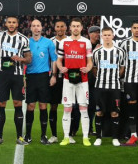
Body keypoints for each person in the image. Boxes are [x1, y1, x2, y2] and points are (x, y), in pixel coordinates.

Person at [0, 16, 32, 145]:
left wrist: (21, 59)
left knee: (17, 103)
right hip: (3, 75)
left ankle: (20, 137)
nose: (11, 24)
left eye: (13, 22)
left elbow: (29, 59)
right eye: (9, 22)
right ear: (6, 24)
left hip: (17, 75)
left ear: (17, 24)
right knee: (1, 104)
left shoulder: (23, 39)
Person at [56, 18, 94, 146]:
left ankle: (85, 137)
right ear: (70, 28)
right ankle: (66, 137)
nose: (76, 28)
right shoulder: (64, 42)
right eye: (74, 26)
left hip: (82, 80)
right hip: (68, 79)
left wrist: (88, 68)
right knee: (67, 108)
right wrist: (61, 68)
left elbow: (90, 62)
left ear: (81, 28)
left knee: (83, 108)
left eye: (78, 26)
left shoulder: (86, 42)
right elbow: (59, 60)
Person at [25, 19, 58, 144]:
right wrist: (23, 77)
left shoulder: (48, 42)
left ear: (41, 28)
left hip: (44, 77)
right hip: (30, 77)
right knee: (30, 106)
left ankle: (43, 136)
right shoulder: (26, 42)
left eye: (38, 26)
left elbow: (54, 59)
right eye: (33, 26)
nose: (36, 28)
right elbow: (23, 60)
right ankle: (28, 135)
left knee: (43, 106)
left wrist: (53, 75)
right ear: (30, 28)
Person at [92, 27, 126, 147]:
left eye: (109, 35)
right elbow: (94, 68)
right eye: (105, 35)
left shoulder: (120, 51)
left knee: (114, 113)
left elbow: (122, 67)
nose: (107, 37)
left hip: (115, 87)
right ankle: (98, 138)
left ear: (113, 36)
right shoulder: (97, 52)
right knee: (99, 112)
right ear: (102, 36)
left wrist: (116, 77)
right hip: (100, 86)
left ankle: (115, 138)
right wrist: (100, 77)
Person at [48, 19, 68, 144]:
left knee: (69, 106)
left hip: (68, 78)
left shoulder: (70, 41)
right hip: (54, 78)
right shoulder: (50, 42)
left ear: (66, 27)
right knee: (53, 106)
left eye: (62, 26)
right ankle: (54, 135)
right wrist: (52, 75)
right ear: (54, 28)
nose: (60, 29)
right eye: (58, 26)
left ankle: (68, 134)